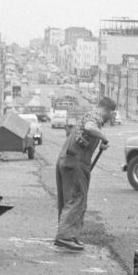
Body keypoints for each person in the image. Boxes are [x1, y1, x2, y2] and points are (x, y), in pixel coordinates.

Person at [54, 101, 111, 252]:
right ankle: (64, 236)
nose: (109, 118)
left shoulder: (87, 116)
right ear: (106, 110)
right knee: (76, 198)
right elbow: (89, 127)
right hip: (75, 162)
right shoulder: (95, 117)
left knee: (70, 199)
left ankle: (70, 235)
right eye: (110, 114)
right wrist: (104, 137)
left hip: (68, 160)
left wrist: (100, 144)